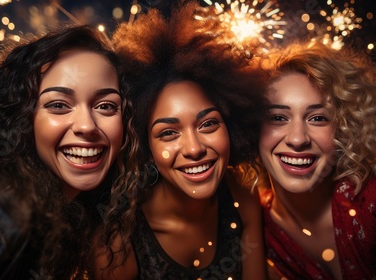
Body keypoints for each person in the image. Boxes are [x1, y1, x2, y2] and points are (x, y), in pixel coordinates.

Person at [0, 24, 130, 279]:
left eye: (105, 106)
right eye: (59, 105)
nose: (87, 126)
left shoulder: (67, 216)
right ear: (22, 117)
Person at [92, 2, 268, 279]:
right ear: (145, 148)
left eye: (208, 124)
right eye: (168, 133)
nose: (195, 148)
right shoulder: (116, 245)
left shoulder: (242, 196)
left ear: (232, 127)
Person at [257, 41, 376, 279]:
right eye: (278, 117)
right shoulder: (254, 222)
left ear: (344, 128)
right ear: (250, 129)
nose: (298, 139)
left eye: (318, 118)